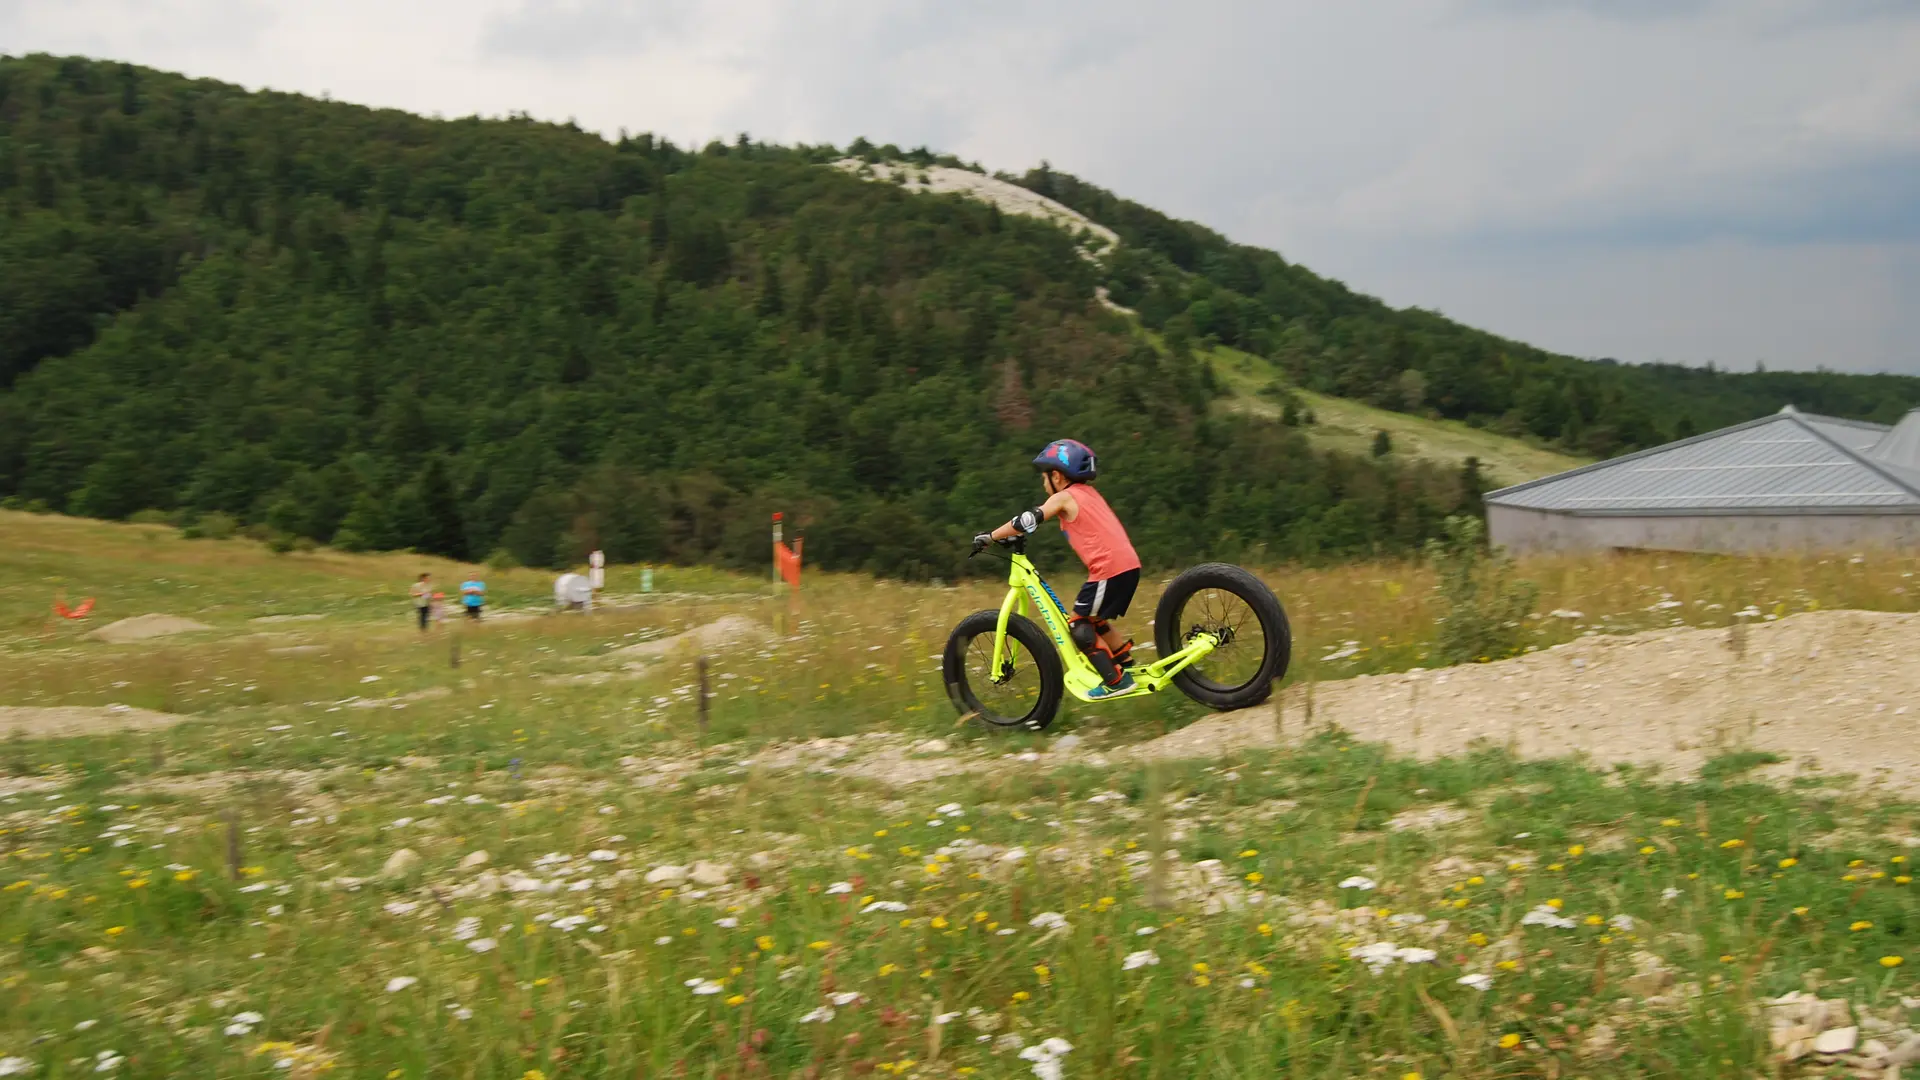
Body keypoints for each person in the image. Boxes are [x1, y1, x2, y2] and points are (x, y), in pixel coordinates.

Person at [974, 438, 1142, 697]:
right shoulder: (1090, 494)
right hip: (1129, 566)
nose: (1044, 484)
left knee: (1079, 627)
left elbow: (1027, 520)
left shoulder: (1065, 497)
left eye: (1045, 478)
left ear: (1057, 476)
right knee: (1095, 620)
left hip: (1108, 569)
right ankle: (1127, 666)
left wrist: (991, 536)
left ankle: (1116, 681)